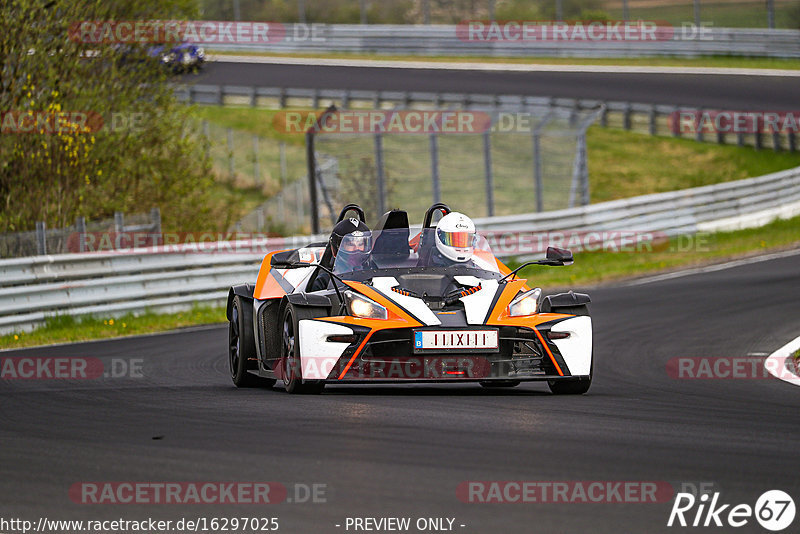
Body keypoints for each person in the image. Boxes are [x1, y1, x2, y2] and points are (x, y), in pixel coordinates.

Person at [307, 218, 371, 291]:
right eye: (350, 244)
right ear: (336, 248)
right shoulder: (324, 282)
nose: (357, 249)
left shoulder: (374, 275)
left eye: (360, 244)